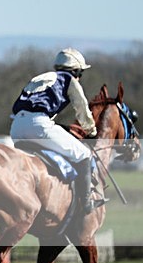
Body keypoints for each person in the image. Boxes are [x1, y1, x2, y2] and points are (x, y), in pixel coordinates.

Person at [10, 48, 101, 213]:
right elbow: (81, 107)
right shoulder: (69, 79)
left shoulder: (40, 78)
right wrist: (91, 130)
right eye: (80, 73)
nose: (80, 78)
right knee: (84, 155)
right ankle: (86, 203)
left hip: (16, 126)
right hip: (39, 125)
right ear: (75, 71)